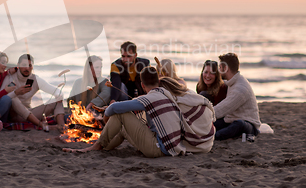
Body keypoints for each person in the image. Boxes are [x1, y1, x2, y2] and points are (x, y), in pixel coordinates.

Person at [63, 66, 215, 156]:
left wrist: (105, 116)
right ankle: (102, 147)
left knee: (122, 115)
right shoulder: (164, 93)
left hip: (160, 149)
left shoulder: (151, 98)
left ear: (142, 85)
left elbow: (115, 108)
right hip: (168, 145)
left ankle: (95, 146)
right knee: (123, 127)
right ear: (158, 81)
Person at [0, 54, 66, 132]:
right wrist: (16, 93)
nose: (27, 68)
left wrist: (59, 95)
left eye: (30, 65)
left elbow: (56, 90)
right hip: (13, 116)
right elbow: (2, 98)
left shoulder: (35, 79)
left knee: (56, 101)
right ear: (18, 65)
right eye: (24, 65)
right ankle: (42, 125)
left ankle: (62, 127)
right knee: (13, 98)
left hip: (30, 115)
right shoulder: (10, 77)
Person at [213, 53, 261, 141]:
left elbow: (222, 109)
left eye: (220, 68)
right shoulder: (233, 82)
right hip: (231, 120)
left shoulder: (240, 88)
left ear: (225, 68)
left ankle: (214, 137)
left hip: (248, 125)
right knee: (212, 124)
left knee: (237, 125)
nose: (219, 70)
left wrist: (203, 115)